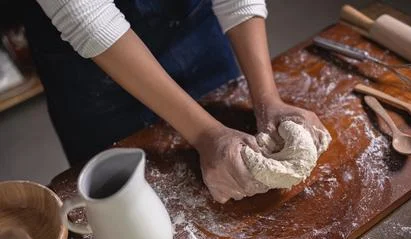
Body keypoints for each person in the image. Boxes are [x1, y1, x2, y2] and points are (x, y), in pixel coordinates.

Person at [25, 0, 325, 203]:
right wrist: (208, 134)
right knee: (123, 199)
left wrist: (266, 97)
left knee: (232, 149)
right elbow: (88, 18)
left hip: (192, 26)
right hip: (94, 70)